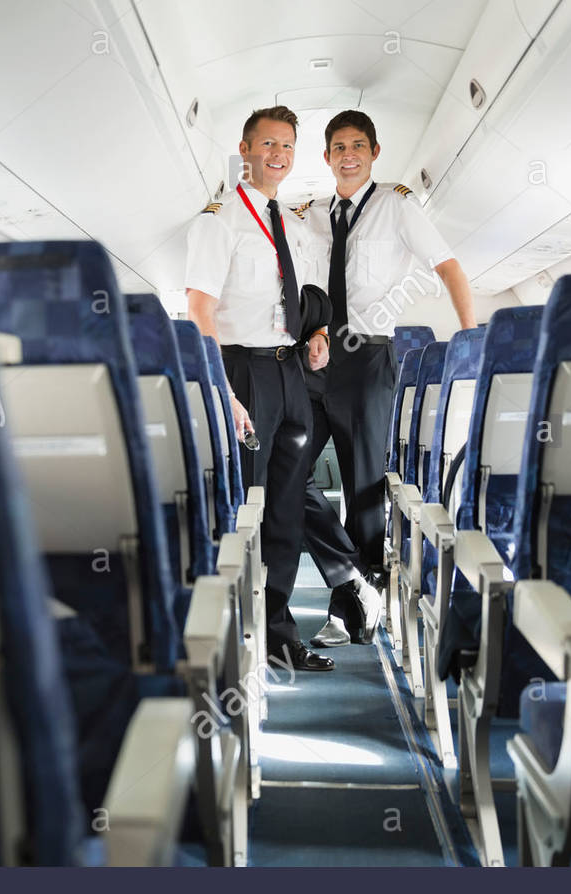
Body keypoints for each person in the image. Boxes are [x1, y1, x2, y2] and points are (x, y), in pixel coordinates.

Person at [297, 109, 476, 647]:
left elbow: (448, 266)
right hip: (316, 358)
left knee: (363, 491)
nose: (348, 155)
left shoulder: (397, 206)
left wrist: (470, 341)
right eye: (338, 147)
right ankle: (353, 579)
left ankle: (347, 614)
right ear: (326, 157)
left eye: (358, 145)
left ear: (374, 152)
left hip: (367, 359)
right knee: (286, 471)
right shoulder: (310, 215)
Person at [184, 105, 334, 672]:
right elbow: (199, 310)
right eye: (268, 144)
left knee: (287, 510)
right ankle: (233, 635)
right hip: (241, 371)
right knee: (246, 507)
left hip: (290, 373)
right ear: (245, 150)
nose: (278, 155)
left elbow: (304, 300)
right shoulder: (218, 219)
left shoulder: (292, 224)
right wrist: (223, 391)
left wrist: (317, 336)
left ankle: (277, 632)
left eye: (287, 146)